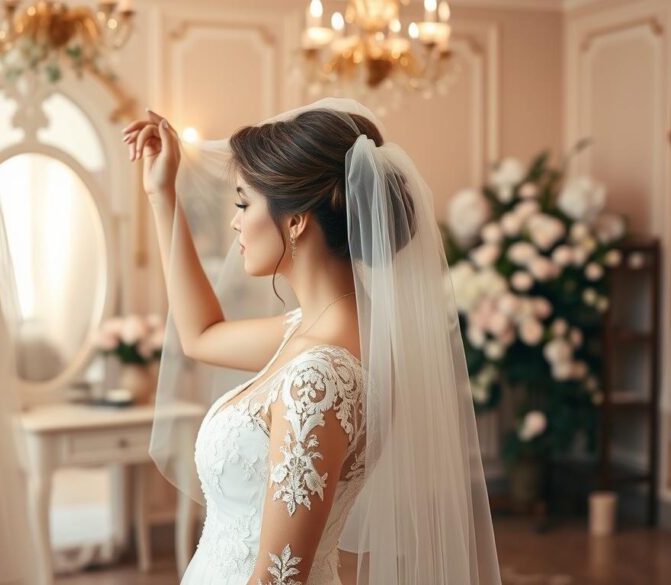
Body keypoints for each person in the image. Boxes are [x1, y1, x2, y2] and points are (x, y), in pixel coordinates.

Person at [124, 99, 500, 585]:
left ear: (297, 219)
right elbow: (201, 336)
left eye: (243, 203)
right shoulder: (318, 331)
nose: (235, 222)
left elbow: (281, 578)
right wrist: (162, 196)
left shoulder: (319, 377)